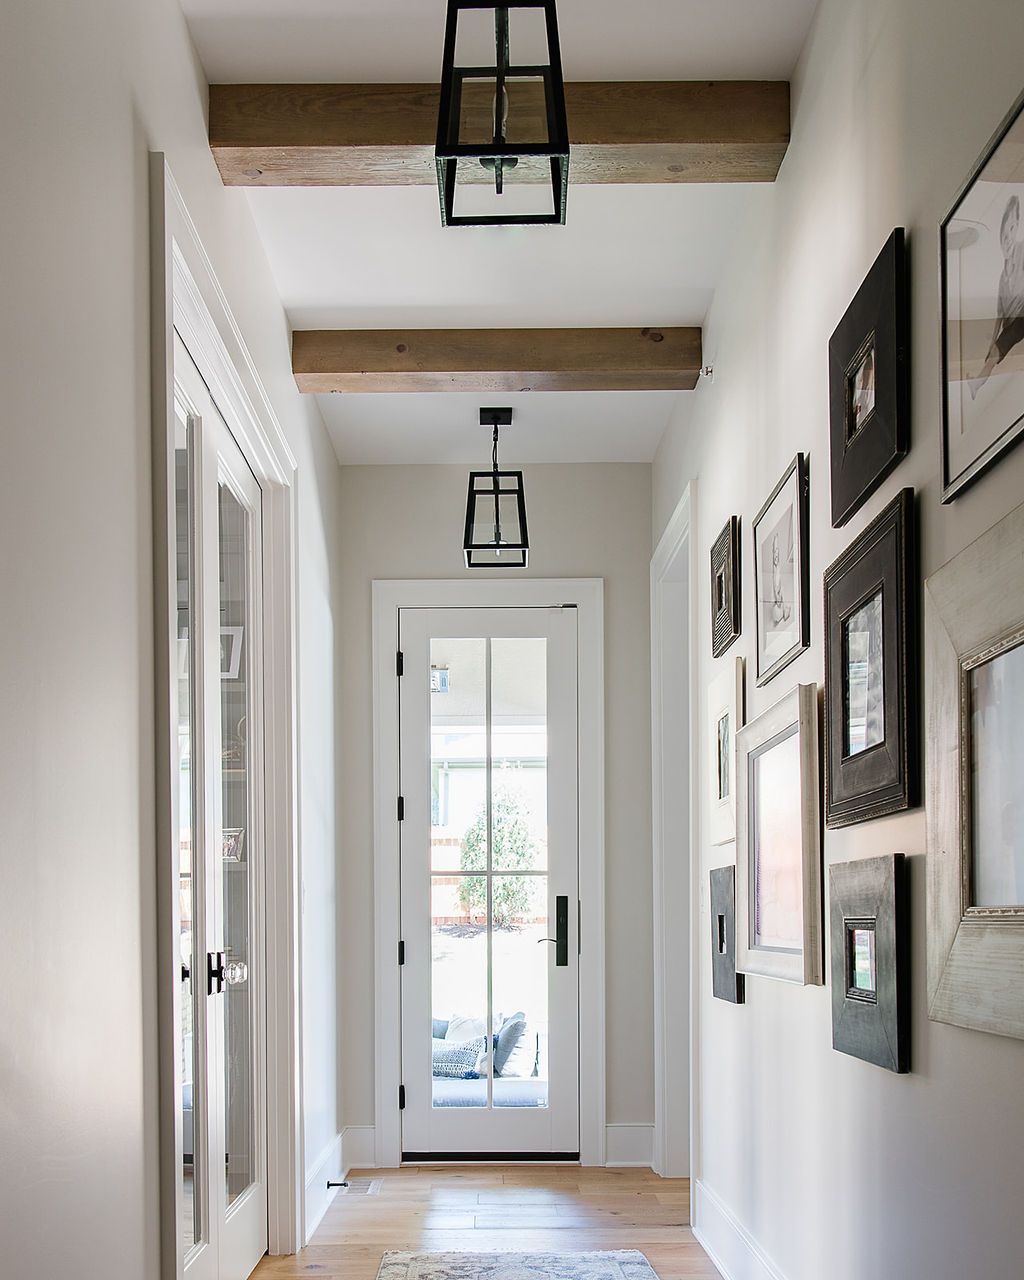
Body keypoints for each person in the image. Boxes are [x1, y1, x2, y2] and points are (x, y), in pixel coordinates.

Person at [970, 193, 1024, 399]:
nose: (1009, 237)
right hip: (1014, 325)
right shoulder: (1002, 280)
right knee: (994, 353)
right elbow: (999, 318)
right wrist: (991, 344)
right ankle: (976, 385)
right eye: (1005, 230)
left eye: (1013, 228)